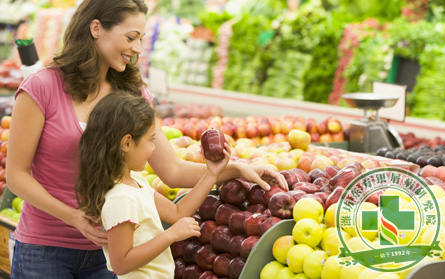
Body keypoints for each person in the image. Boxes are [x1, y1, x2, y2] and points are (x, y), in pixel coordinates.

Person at [6, 0, 287, 278]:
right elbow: (17, 175)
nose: (137, 49)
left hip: (111, 252)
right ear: (96, 28)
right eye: (130, 37)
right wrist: (73, 217)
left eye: (141, 39)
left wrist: (237, 169)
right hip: (44, 249)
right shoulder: (42, 86)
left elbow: (173, 171)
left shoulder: (134, 95)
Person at [76, 92, 230, 278]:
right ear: (126, 143)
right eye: (150, 140)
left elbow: (177, 212)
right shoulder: (121, 199)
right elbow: (121, 264)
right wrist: (170, 235)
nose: (154, 148)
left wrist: (211, 174)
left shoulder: (136, 182)